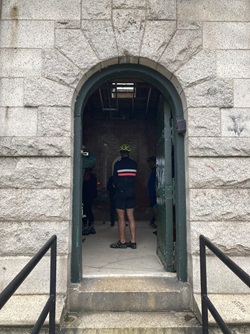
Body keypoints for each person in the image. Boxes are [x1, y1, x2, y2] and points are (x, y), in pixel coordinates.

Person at [110, 144, 137, 249]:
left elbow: (114, 180)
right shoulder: (134, 164)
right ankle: (133, 242)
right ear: (128, 153)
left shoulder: (118, 164)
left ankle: (122, 242)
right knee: (131, 216)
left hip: (121, 192)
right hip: (132, 191)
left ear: (121, 153)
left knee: (121, 217)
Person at [81, 146, 97, 236]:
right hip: (85, 195)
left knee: (87, 211)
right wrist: (86, 151)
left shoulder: (91, 176)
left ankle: (88, 226)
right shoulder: (91, 175)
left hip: (86, 195)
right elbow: (93, 159)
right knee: (86, 211)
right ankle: (87, 226)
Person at [147, 156, 157, 235]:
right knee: (154, 209)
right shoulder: (153, 171)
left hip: (155, 194)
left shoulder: (157, 171)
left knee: (156, 210)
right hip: (152, 194)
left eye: (151, 163)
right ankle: (153, 221)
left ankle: (158, 226)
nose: (149, 165)